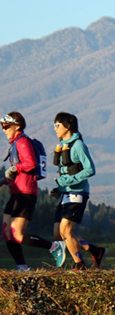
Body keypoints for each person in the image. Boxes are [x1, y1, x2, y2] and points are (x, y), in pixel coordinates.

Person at [0, 112, 66, 270]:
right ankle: (22, 266)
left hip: (25, 193)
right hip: (16, 192)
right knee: (6, 232)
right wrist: (4, 180)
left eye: (7, 126)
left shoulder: (22, 142)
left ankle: (54, 247)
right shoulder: (15, 143)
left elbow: (31, 164)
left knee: (17, 235)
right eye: (2, 127)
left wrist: (15, 168)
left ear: (17, 126)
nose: (3, 129)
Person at [52, 112, 107, 270]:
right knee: (59, 233)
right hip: (66, 193)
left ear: (67, 126)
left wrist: (67, 181)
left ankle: (80, 265)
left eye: (57, 125)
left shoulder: (78, 146)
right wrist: (60, 188)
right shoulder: (63, 145)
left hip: (77, 193)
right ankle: (96, 251)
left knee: (66, 230)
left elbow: (90, 169)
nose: (54, 128)